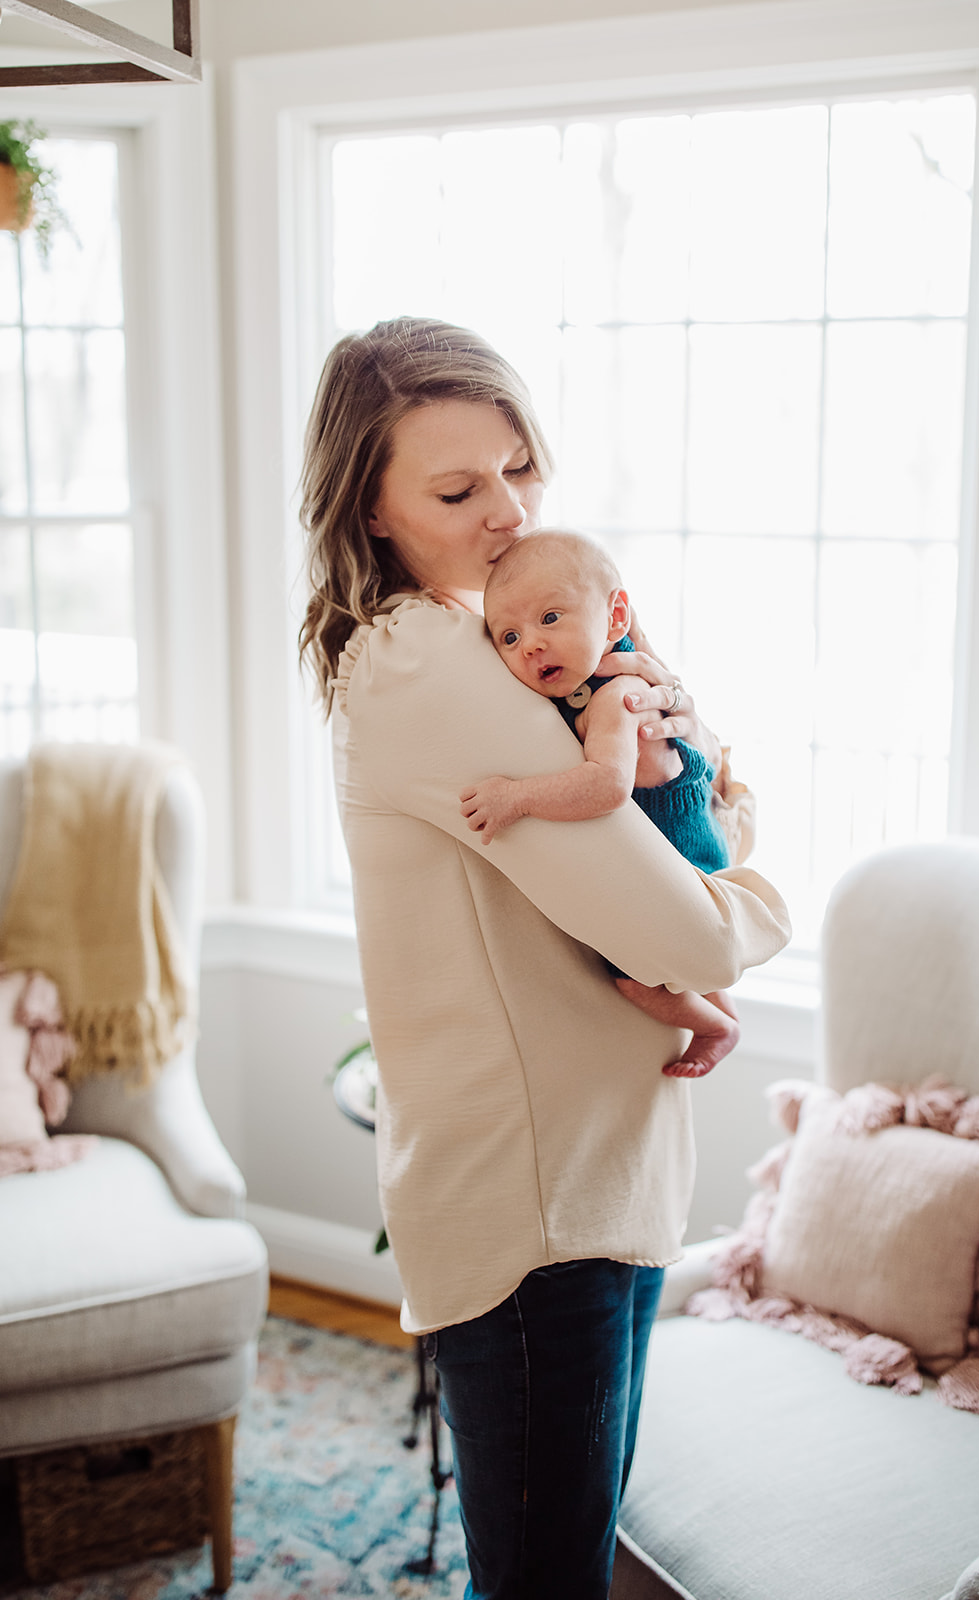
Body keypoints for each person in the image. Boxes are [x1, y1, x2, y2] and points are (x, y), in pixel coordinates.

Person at [299, 316, 790, 1600]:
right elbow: (686, 923)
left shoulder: (512, 651)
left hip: (595, 1174)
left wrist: (674, 752)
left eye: (520, 468)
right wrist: (755, 904)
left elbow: (642, 843)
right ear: (373, 512)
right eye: (458, 489)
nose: (509, 513)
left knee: (557, 1562)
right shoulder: (421, 658)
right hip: (536, 1208)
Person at [461, 527, 743, 1079]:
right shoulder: (591, 682)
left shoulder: (615, 695)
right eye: (509, 637)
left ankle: (716, 1026)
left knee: (633, 976)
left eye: (549, 619)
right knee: (689, 967)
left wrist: (514, 797)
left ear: (615, 619)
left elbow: (607, 786)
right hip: (679, 838)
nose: (531, 645)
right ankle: (724, 1014)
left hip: (681, 846)